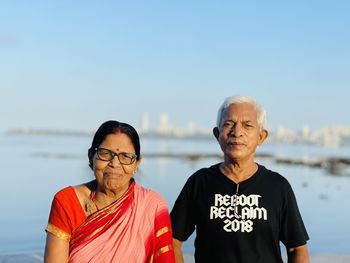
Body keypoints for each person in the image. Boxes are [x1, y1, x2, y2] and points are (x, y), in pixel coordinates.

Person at [170, 95, 310, 263]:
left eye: (247, 125)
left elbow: (297, 248)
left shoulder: (278, 186)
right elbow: (172, 240)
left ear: (261, 137)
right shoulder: (199, 182)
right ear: (217, 134)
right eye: (228, 124)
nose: (237, 132)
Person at [44, 120, 175, 263]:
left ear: (136, 164)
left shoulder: (152, 205)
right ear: (91, 157)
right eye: (105, 154)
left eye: (126, 157)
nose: (115, 164)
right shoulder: (67, 202)